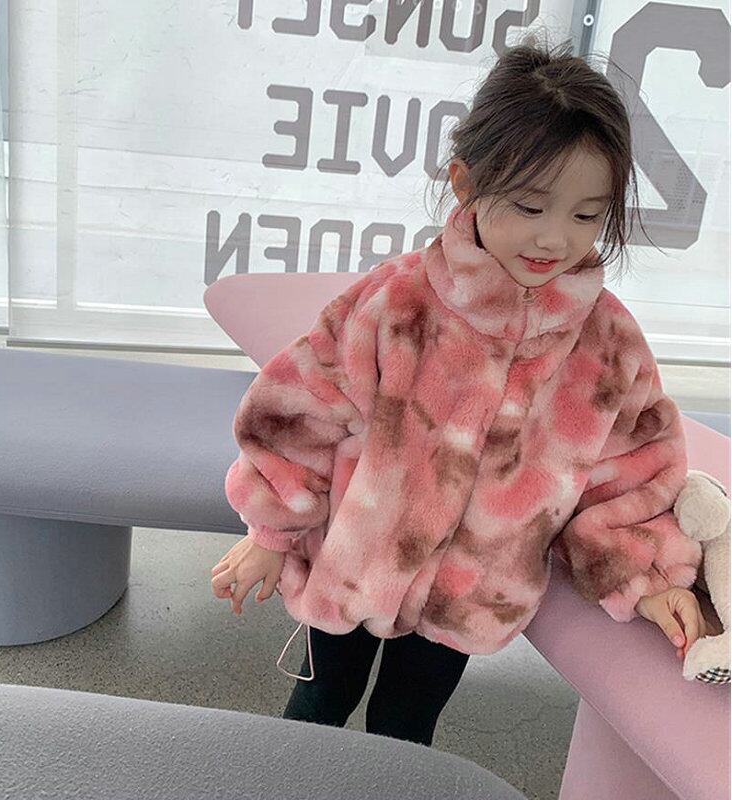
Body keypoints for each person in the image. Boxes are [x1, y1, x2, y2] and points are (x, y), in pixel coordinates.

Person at [210, 35, 710, 748]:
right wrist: (270, 533)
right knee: (317, 710)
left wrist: (651, 578)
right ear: (466, 183)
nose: (554, 239)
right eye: (530, 206)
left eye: (585, 215)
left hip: (468, 596)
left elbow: (629, 475)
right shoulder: (398, 305)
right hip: (350, 568)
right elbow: (302, 414)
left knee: (406, 729)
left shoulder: (607, 346)